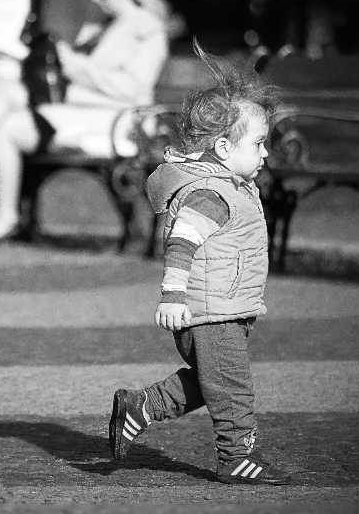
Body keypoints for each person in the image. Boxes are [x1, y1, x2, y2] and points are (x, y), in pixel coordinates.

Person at [107, 46, 292, 486]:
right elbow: (181, 241)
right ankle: (235, 457)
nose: (266, 154)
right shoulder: (211, 193)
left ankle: (141, 406)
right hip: (208, 313)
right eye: (259, 143)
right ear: (224, 148)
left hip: (221, 309)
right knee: (232, 389)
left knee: (213, 382)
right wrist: (172, 296)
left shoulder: (229, 184)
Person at [0, 0, 170, 244]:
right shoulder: (101, 27)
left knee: (7, 130)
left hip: (117, 120)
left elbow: (133, 90)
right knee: (7, 84)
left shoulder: (147, 27)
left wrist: (77, 66)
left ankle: (3, 207)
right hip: (80, 109)